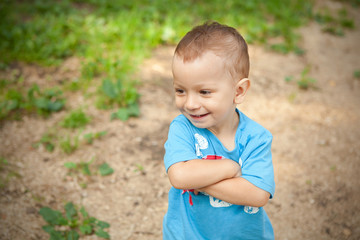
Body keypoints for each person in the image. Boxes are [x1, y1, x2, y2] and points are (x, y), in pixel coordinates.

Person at [163, 21, 275, 240]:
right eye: (180, 90)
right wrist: (230, 167)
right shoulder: (182, 128)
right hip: (188, 235)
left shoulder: (256, 138)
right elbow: (179, 176)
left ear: (239, 91)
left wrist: (199, 179)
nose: (191, 103)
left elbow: (257, 193)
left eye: (204, 92)